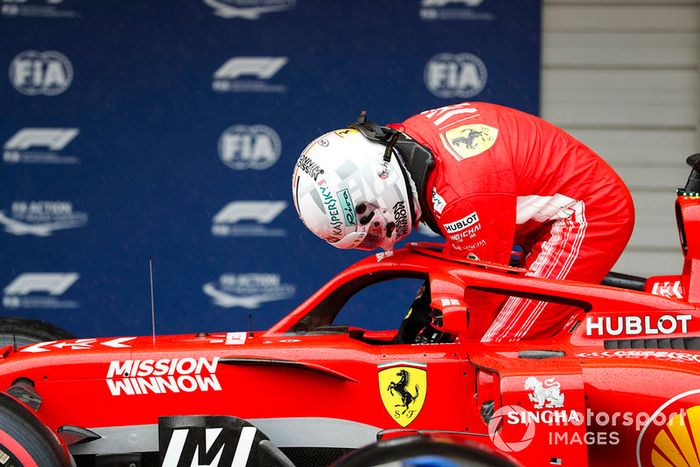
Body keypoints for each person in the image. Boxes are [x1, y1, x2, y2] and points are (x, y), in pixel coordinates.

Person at [291, 102, 634, 342]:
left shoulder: (459, 197)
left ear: (375, 183)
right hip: (540, 212)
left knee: (497, 345)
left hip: (586, 213)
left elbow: (480, 294)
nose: (380, 237)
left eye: (369, 224)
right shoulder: (406, 140)